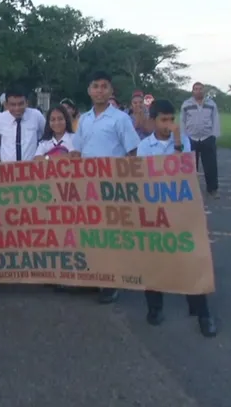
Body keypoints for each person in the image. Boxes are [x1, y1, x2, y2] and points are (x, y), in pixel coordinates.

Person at [136, 99, 217, 338]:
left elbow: (186, 169)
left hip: (181, 209)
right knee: (154, 260)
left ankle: (202, 312)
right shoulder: (145, 147)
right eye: (163, 120)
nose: (168, 125)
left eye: (171, 120)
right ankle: (154, 308)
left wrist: (179, 142)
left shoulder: (183, 142)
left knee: (190, 259)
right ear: (152, 121)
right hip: (155, 210)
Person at [73, 70, 141, 304]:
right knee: (91, 233)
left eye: (104, 86)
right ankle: (94, 276)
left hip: (113, 185)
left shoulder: (121, 119)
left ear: (111, 91)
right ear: (89, 90)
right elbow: (76, 151)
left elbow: (133, 153)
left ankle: (113, 281)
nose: (100, 90)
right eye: (95, 86)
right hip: (87, 186)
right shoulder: (84, 119)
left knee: (111, 235)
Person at [180, 82, 221, 199]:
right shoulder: (186, 104)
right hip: (191, 138)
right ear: (192, 91)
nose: (198, 91)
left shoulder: (211, 104)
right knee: (190, 166)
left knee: (211, 166)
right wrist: (183, 137)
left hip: (207, 137)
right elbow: (182, 121)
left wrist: (214, 135)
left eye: (200, 89)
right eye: (196, 89)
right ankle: (190, 190)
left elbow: (215, 119)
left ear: (204, 91)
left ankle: (212, 189)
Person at [0, 88, 46, 162]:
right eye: (13, 105)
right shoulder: (0, 118)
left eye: (20, 104)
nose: (17, 108)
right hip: (7, 169)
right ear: (6, 104)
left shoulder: (36, 115)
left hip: (32, 167)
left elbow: (47, 135)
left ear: (26, 103)